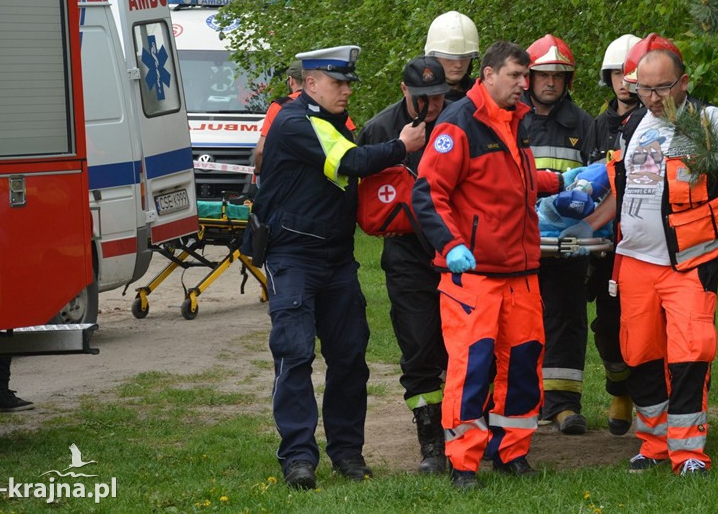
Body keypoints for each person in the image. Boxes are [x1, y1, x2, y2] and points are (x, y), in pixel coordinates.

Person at [564, 33, 718, 476]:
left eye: (662, 88)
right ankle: (653, 444)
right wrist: (587, 227)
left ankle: (688, 451)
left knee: (691, 352)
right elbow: (626, 190)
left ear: (683, 82)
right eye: (643, 88)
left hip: (690, 261)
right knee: (641, 355)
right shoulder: (636, 125)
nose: (651, 98)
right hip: (634, 263)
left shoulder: (709, 125)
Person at [242, 45, 426, 490]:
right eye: (338, 83)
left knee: (349, 359)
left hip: (336, 258)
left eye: (348, 83)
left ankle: (348, 454)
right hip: (295, 259)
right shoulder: (295, 121)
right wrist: (402, 145)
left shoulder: (329, 122)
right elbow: (350, 161)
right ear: (310, 84)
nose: (346, 91)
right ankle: (299, 458)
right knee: (295, 354)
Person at [412, 41, 581, 490]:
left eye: (526, 77)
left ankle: (512, 453)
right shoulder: (458, 124)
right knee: (472, 370)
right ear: (487, 75)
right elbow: (428, 193)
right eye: (515, 76)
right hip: (475, 277)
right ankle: (463, 461)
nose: (524, 85)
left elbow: (512, 180)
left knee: (522, 366)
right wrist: (450, 246)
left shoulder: (514, 121)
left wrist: (560, 182)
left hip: (520, 274)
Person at [355, 56, 452, 474]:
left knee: (465, 347)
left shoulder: (461, 122)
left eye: (437, 98)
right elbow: (357, 183)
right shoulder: (379, 129)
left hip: (456, 249)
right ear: (404, 91)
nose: (430, 107)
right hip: (407, 252)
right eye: (422, 99)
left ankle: (470, 431)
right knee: (417, 346)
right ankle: (431, 442)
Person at [521, 34, 595, 435]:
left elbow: (597, 183)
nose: (550, 83)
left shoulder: (583, 125)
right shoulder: (511, 121)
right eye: (543, 75)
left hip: (568, 242)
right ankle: (524, 400)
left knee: (566, 317)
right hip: (520, 240)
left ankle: (564, 404)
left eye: (559, 76)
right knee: (521, 321)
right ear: (529, 78)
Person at [585, 33, 642, 436]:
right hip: (604, 247)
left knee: (646, 326)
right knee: (607, 327)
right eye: (618, 73)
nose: (626, 81)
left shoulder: (654, 124)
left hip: (645, 244)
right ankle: (619, 390)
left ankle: (657, 402)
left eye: (632, 72)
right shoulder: (595, 127)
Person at [253, 60, 305, 178]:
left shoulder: (279, 106)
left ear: (291, 81)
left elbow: (261, 151)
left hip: (285, 177)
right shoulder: (327, 104)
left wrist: (258, 171)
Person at [424, 11, 479, 103]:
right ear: (433, 58)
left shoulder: (482, 93)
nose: (458, 64)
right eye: (450, 58)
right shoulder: (423, 98)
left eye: (464, 57)